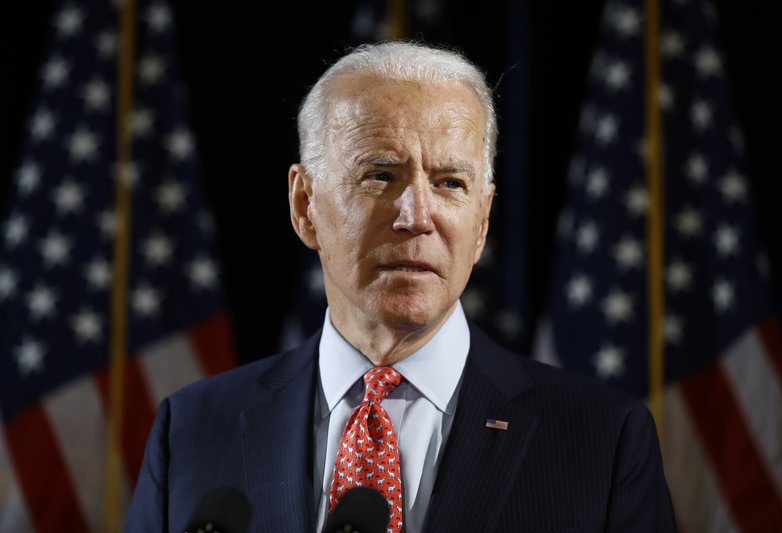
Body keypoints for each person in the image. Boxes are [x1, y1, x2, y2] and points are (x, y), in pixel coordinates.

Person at [126, 41, 676, 532]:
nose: (417, 215)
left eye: (450, 183)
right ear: (304, 206)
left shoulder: (602, 443)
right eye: (380, 176)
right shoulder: (193, 431)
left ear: (481, 221)